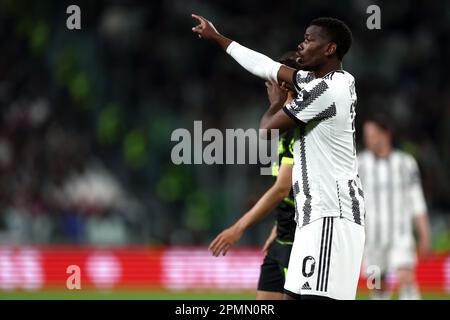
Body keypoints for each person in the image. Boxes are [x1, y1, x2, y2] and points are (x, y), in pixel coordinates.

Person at [192, 15, 365, 300]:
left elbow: (266, 129)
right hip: (312, 217)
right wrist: (218, 38)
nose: (302, 44)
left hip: (333, 216)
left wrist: (275, 102)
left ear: (330, 49)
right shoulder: (316, 81)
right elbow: (266, 66)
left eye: (310, 39)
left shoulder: (328, 90)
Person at [209, 53, 299, 300]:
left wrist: (238, 228)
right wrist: (278, 224)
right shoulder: (284, 128)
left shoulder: (299, 129)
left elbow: (282, 188)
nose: (266, 88)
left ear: (283, 87)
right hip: (282, 236)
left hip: (301, 243)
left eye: (269, 82)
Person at [358, 115, 431, 300]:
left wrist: (424, 234)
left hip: (400, 235)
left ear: (386, 134)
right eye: (366, 135)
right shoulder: (359, 164)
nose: (369, 139)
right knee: (377, 286)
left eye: (372, 134)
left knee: (406, 277)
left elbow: (417, 200)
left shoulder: (406, 163)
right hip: (372, 238)